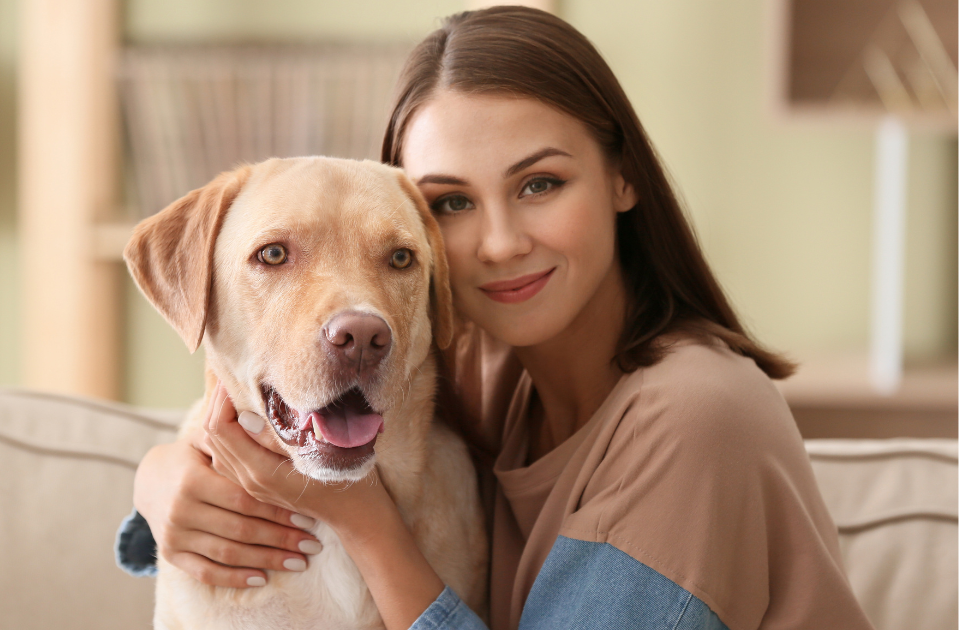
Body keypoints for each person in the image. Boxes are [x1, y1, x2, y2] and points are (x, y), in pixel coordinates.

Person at [127, 7, 875, 630]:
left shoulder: (698, 419)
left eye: (540, 183)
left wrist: (364, 519)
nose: (500, 244)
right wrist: (160, 484)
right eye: (451, 202)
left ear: (623, 176)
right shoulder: (480, 364)